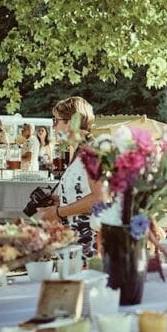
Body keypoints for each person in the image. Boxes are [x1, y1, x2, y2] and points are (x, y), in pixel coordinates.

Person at [37, 96, 104, 259]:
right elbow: (84, 192)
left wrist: (59, 212)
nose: (53, 126)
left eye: (56, 120)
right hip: (76, 242)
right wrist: (61, 199)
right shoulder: (80, 149)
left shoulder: (92, 151)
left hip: (88, 244)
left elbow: (99, 198)